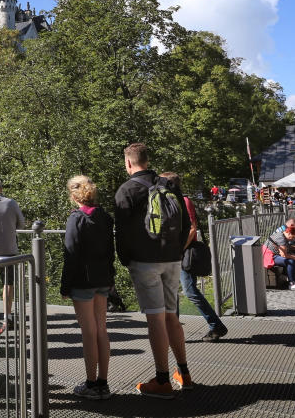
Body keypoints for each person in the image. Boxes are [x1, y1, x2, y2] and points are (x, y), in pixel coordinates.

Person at [114, 143, 192, 399]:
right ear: (147, 161)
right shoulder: (168, 185)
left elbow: (122, 233)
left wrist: (126, 260)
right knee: (171, 316)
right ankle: (184, 373)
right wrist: (177, 251)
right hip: (172, 258)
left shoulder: (127, 190)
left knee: (155, 320)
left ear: (128, 163)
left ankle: (161, 381)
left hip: (145, 262)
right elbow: (186, 222)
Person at [61, 175, 114, 401]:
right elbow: (111, 250)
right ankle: (103, 382)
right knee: (101, 329)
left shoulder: (76, 219)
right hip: (103, 279)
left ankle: (91, 383)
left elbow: (71, 255)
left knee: (88, 332)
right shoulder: (104, 217)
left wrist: (65, 286)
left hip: (83, 281)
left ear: (74, 196)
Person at [169, 173, 228, 342]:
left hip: (184, 254)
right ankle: (174, 329)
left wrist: (179, 249)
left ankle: (216, 325)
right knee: (173, 291)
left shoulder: (184, 201)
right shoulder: (173, 201)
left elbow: (192, 229)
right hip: (176, 254)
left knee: (190, 291)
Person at [0, 177, 26, 338]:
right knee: (8, 283)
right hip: (9, 249)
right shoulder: (11, 203)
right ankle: (7, 316)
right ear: (1, 188)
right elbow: (21, 224)